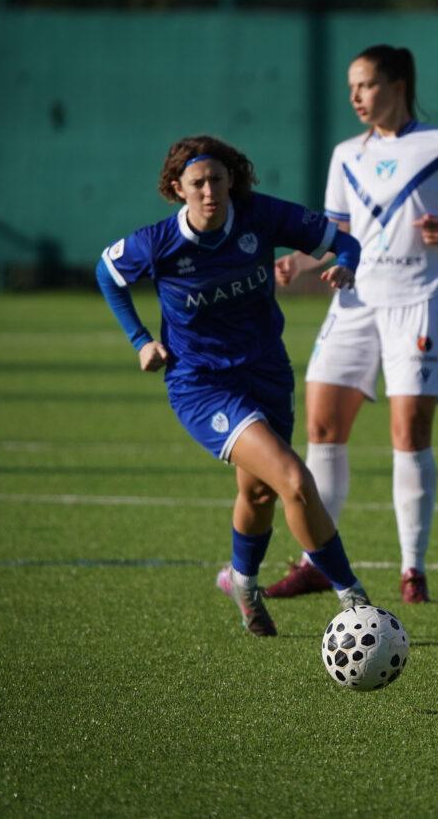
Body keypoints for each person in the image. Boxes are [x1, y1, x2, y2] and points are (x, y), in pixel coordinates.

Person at [95, 134, 370, 638]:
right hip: (201, 384)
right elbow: (107, 272)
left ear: (231, 180)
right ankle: (354, 599)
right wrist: (140, 340)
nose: (209, 192)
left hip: (267, 370)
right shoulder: (157, 243)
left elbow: (345, 241)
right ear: (176, 188)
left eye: (217, 180)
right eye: (197, 183)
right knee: (293, 479)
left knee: (259, 492)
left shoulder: (259, 214)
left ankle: (242, 583)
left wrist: (345, 265)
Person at [266, 44, 438, 605]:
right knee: (321, 427)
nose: (356, 96)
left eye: (366, 85)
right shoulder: (347, 153)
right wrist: (301, 262)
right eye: (351, 87)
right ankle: (315, 561)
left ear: (397, 85)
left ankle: (412, 568)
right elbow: (338, 233)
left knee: (409, 433)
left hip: (417, 302)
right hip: (354, 302)